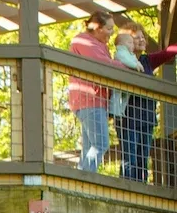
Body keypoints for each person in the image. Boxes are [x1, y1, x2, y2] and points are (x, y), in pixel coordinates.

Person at [115, 21, 177, 183]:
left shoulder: (147, 60)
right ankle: (127, 190)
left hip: (147, 118)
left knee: (142, 159)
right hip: (128, 117)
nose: (142, 40)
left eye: (143, 37)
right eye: (137, 38)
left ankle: (140, 189)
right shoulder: (120, 61)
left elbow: (168, 52)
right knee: (131, 158)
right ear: (126, 41)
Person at [68, 10, 115, 172]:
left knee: (90, 146)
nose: (112, 33)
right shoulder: (83, 41)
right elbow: (103, 64)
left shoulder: (100, 45)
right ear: (97, 27)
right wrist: (127, 68)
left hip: (96, 101)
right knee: (101, 143)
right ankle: (85, 180)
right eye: (109, 29)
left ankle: (82, 178)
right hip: (89, 99)